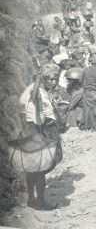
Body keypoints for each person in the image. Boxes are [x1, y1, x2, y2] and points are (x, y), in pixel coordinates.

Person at [13, 63, 63, 210]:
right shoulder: (36, 92)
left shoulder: (35, 90)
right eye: (51, 79)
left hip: (33, 129)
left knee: (35, 168)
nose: (54, 82)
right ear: (45, 79)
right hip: (37, 130)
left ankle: (32, 199)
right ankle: (39, 201)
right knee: (41, 167)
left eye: (55, 79)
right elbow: (36, 114)